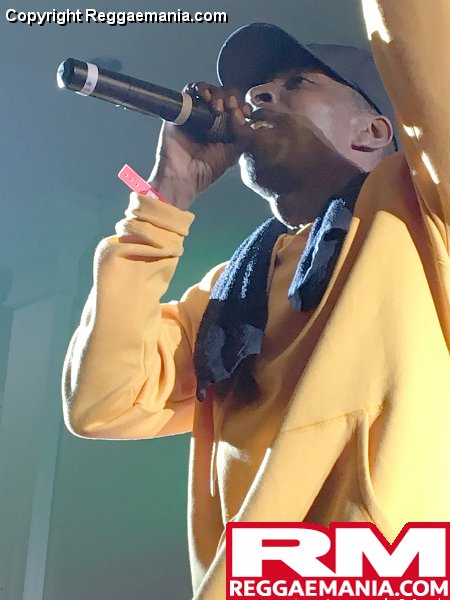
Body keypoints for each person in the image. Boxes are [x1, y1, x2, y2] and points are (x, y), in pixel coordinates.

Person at [62, 2, 450, 598]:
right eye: (256, 91)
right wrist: (166, 200)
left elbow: (420, 34)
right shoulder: (228, 291)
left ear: (373, 131)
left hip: (390, 579)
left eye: (296, 83)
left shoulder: (424, 211)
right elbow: (101, 402)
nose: (259, 96)